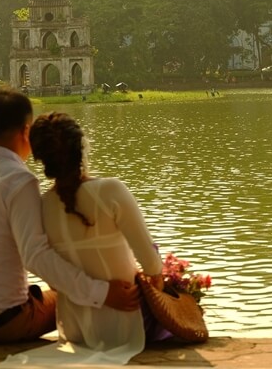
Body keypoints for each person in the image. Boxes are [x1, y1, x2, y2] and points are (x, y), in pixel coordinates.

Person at [0, 87, 140, 344]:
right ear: (26, 132)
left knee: (64, 289)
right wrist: (103, 292)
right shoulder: (18, 180)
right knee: (73, 299)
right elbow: (35, 256)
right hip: (0, 324)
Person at [22, 111, 167, 363]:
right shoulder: (111, 190)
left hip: (75, 331)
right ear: (81, 148)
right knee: (182, 302)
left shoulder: (41, 205)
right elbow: (152, 265)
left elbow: (55, 282)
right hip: (128, 326)